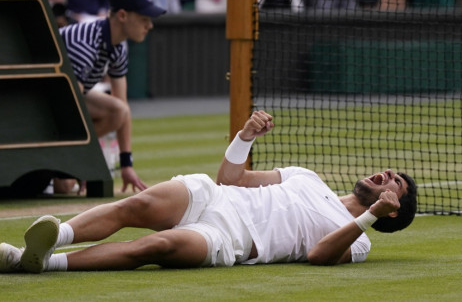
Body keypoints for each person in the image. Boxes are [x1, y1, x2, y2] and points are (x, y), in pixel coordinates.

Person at [0, 110, 418, 273]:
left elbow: (318, 255)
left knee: (156, 247)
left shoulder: (359, 238)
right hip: (217, 198)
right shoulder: (306, 176)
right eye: (389, 172)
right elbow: (231, 178)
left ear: (393, 211)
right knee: (138, 203)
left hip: (231, 239)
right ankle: (56, 238)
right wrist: (245, 136)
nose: (385, 174)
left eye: (395, 182)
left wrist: (369, 217)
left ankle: (41, 264)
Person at [57, 0, 166, 193]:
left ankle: (66, 163)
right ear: (123, 16)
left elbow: (122, 109)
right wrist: (84, 163)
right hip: (49, 104)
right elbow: (70, 107)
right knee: (64, 184)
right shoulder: (85, 43)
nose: (150, 25)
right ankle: (63, 161)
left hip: (64, 101)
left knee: (118, 110)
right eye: (144, 19)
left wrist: (127, 165)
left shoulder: (117, 47)